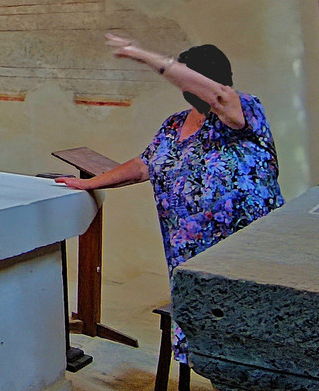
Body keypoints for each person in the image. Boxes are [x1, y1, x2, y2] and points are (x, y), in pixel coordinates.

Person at [55, 33, 283, 365]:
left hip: (245, 255)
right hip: (190, 257)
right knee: (209, 343)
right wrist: (88, 184)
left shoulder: (243, 111)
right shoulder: (175, 123)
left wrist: (146, 57)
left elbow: (218, 96)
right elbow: (144, 165)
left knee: (253, 342)